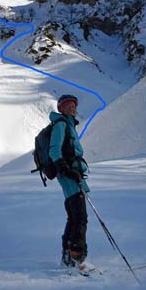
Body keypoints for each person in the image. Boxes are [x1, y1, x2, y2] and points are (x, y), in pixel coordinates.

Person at [49, 94, 92, 273]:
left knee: (74, 217)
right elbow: (54, 150)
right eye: (68, 106)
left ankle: (69, 258)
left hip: (73, 175)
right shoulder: (61, 125)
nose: (72, 108)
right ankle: (76, 258)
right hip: (69, 176)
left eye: (73, 106)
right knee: (80, 217)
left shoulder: (69, 125)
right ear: (61, 109)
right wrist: (67, 169)